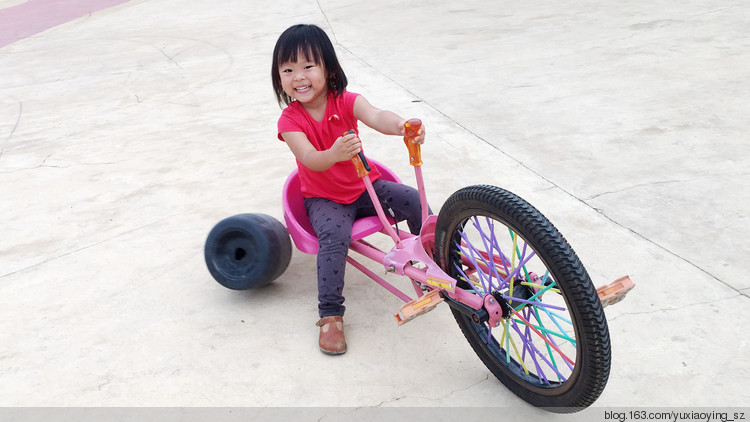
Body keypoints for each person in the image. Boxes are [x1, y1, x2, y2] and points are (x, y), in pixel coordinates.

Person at [272, 24, 426, 355]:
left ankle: (434, 260)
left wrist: (402, 126)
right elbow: (309, 158)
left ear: (328, 68)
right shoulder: (290, 120)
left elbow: (376, 115)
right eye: (288, 69)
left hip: (366, 188)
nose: (298, 76)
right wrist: (333, 154)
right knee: (334, 239)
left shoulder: (346, 101)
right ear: (280, 78)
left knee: (416, 203)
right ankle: (330, 315)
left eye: (308, 66)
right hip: (325, 200)